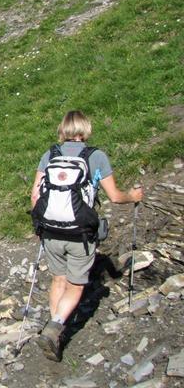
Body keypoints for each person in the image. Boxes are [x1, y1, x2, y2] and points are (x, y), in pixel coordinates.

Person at [30, 110, 143, 361]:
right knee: (76, 284)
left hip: (51, 231)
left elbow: (35, 195)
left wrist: (40, 225)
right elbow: (115, 197)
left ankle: (54, 330)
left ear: (62, 130)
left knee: (58, 279)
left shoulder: (50, 155)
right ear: (86, 130)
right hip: (79, 233)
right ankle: (55, 327)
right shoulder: (95, 156)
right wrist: (132, 196)